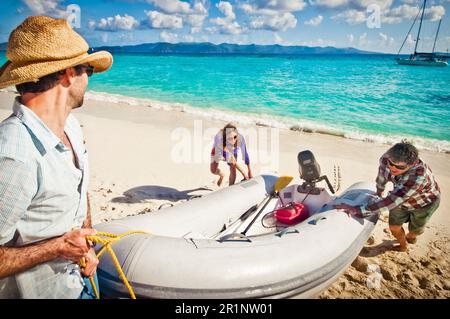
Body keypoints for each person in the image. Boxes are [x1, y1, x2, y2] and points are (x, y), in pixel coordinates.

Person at [0, 16, 113, 298]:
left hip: (81, 280)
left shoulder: (71, 127)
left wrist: (85, 239)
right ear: (67, 74)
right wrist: (59, 247)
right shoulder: (14, 153)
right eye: (87, 69)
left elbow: (78, 186)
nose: (90, 79)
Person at [335, 141, 440, 252]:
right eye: (391, 163)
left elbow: (392, 201)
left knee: (415, 230)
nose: (393, 168)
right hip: (400, 200)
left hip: (424, 203)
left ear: (412, 164)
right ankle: (403, 245)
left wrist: (358, 210)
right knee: (394, 227)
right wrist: (379, 191)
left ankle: (411, 236)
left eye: (400, 167)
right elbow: (382, 175)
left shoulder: (418, 176)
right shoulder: (387, 159)